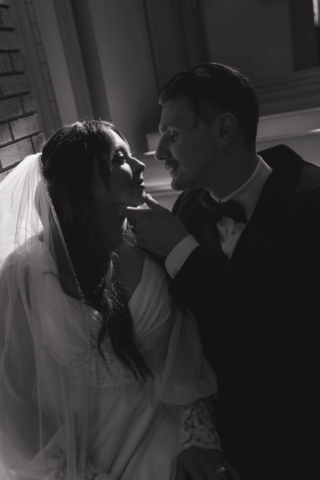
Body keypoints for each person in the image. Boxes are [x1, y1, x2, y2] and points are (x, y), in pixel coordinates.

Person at [0, 120, 235, 480]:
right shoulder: (24, 273)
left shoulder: (154, 238)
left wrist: (195, 437)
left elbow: (188, 343)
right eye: (119, 158)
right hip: (78, 461)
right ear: (80, 182)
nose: (140, 164)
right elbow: (14, 404)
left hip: (165, 443)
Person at [118, 63, 320, 479]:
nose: (158, 153)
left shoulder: (310, 205)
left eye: (172, 135)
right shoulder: (189, 209)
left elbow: (268, 338)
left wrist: (179, 249)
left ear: (224, 130)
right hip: (229, 437)